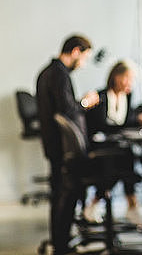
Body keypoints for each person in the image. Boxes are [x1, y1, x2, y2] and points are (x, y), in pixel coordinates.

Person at [36, 35, 100, 255]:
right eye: (84, 58)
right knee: (64, 195)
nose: (82, 64)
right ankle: (61, 245)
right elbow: (67, 110)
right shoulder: (58, 74)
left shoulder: (49, 72)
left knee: (60, 195)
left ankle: (61, 242)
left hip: (54, 146)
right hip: (62, 148)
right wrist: (86, 102)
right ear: (75, 51)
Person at [83, 60, 142, 230]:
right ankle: (132, 206)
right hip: (97, 148)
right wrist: (135, 120)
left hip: (116, 148)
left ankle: (97, 203)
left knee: (124, 157)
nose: (130, 83)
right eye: (127, 78)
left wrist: (140, 120)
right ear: (116, 77)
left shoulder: (127, 97)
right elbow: (103, 124)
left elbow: (125, 120)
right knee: (123, 162)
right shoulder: (100, 96)